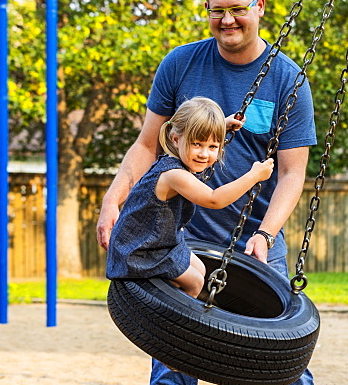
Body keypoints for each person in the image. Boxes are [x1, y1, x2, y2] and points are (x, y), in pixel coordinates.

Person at [96, 0, 348, 385]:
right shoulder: (181, 64)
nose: (228, 21)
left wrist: (267, 231)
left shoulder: (288, 78)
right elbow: (147, 145)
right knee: (172, 354)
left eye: (239, 9)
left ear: (259, 7)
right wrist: (113, 197)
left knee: (286, 358)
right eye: (218, 11)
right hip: (180, 238)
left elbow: (291, 172)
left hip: (256, 239)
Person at [106, 97, 273, 297]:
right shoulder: (174, 175)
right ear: (175, 139)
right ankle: (171, 323)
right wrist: (253, 176)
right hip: (138, 251)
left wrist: (220, 127)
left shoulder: (177, 161)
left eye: (213, 146)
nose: (204, 154)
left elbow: (202, 140)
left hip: (159, 243)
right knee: (195, 282)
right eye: (196, 144)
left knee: (200, 269)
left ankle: (165, 299)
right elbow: (214, 199)